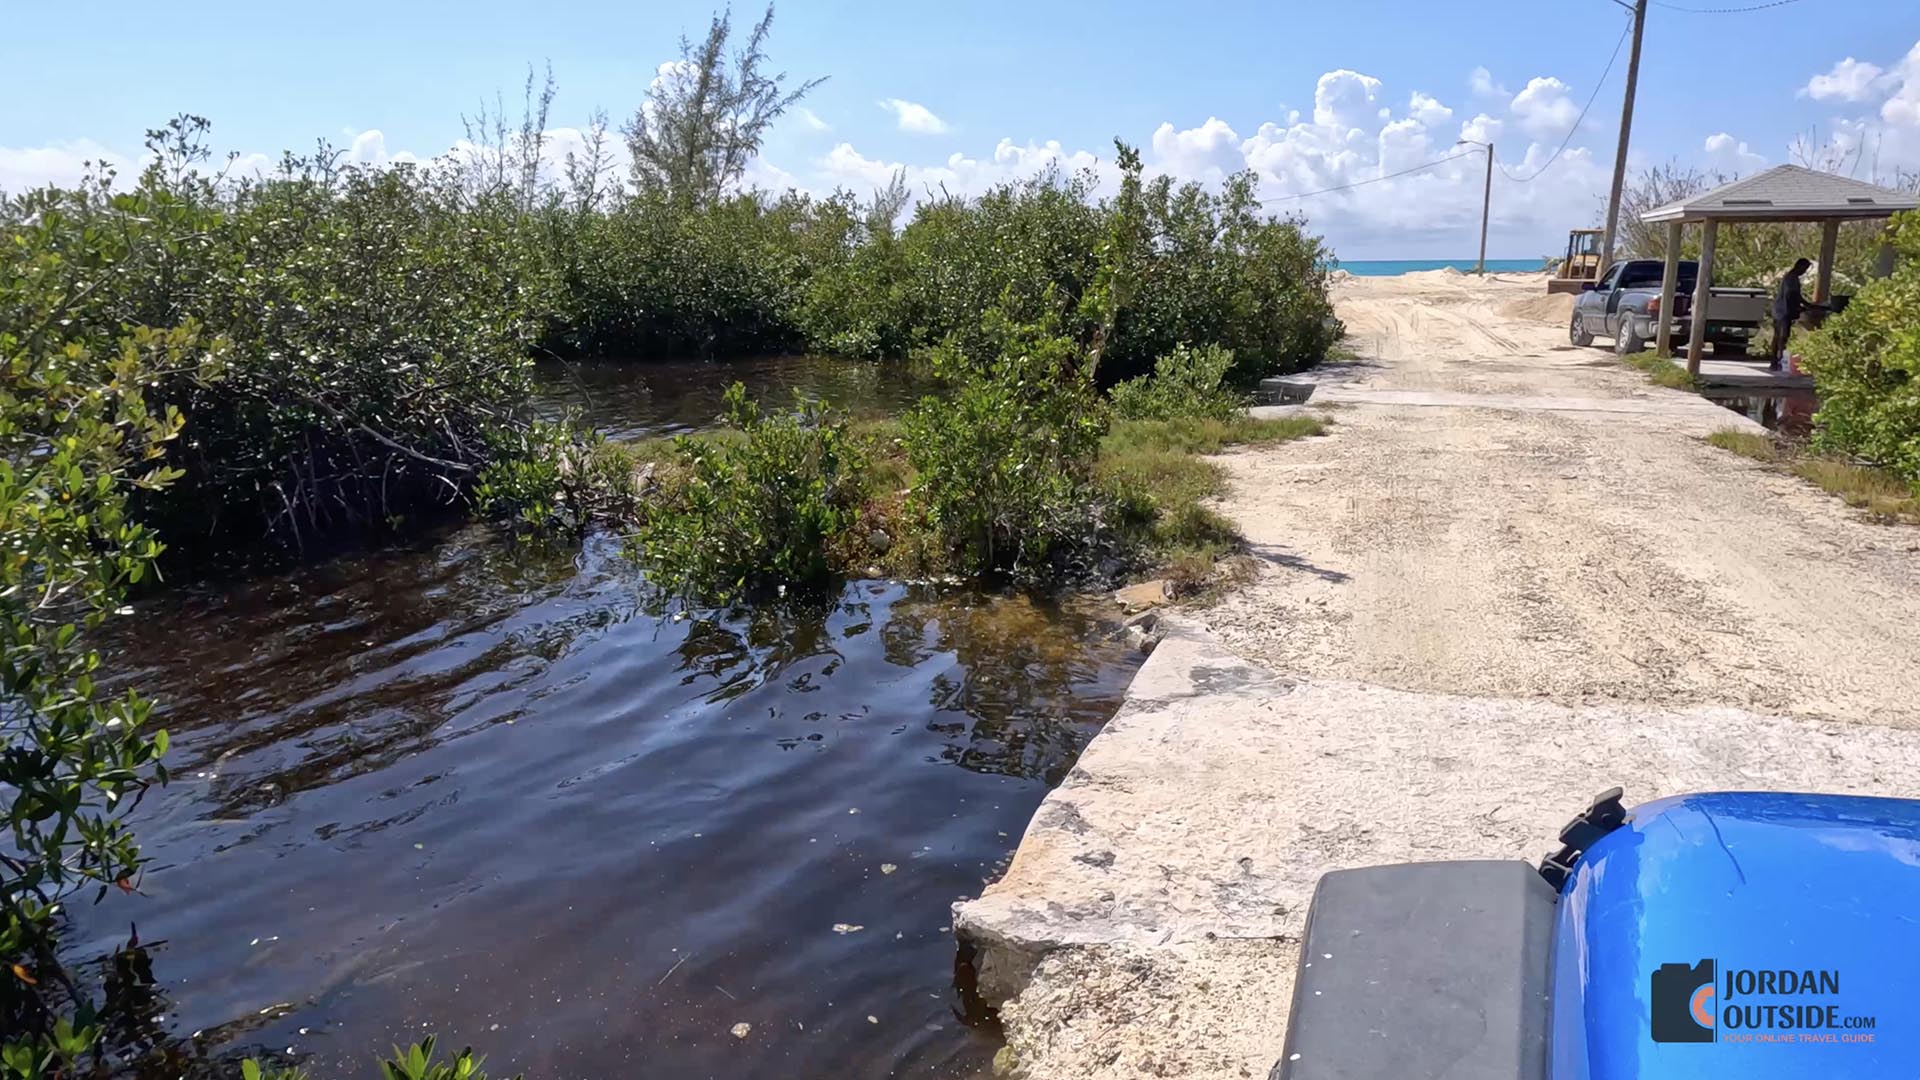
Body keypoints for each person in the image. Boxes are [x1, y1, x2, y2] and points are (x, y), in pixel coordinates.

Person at [1769, 257, 1826, 370]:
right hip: (1783, 310)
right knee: (1782, 336)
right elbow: (1792, 295)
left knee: (1778, 336)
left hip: (1780, 310)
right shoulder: (1791, 278)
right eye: (1804, 269)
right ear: (1799, 266)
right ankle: (1778, 360)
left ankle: (1775, 360)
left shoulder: (1790, 277)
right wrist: (1802, 306)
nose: (1804, 272)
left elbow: (1795, 296)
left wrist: (1805, 305)